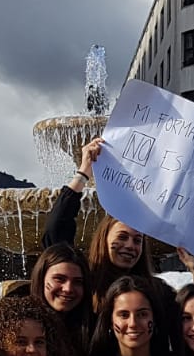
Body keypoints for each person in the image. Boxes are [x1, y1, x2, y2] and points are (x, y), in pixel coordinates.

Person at [48, 138, 179, 327]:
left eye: (137, 240)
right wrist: (84, 172)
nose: (130, 246)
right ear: (104, 238)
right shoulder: (82, 283)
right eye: (122, 237)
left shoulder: (157, 292)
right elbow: (55, 232)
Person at [26, 243, 95, 351]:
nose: (68, 289)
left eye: (77, 282)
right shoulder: (19, 325)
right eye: (59, 279)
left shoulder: (94, 330)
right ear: (41, 279)